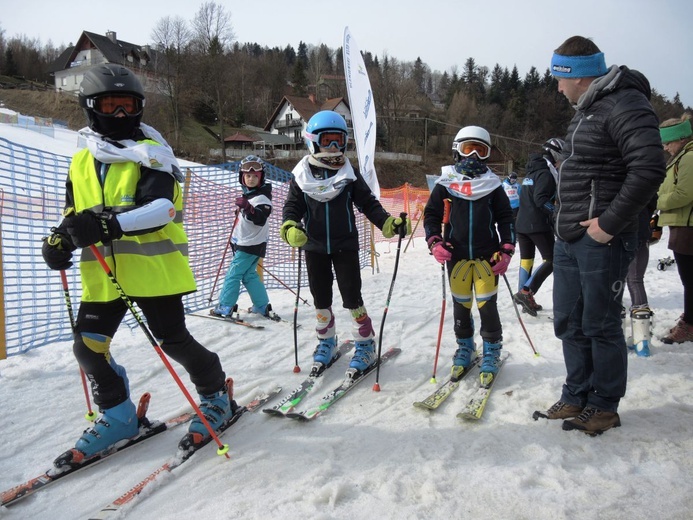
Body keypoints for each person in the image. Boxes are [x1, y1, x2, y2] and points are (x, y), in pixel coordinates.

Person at [40, 64, 235, 459]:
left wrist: (104, 225)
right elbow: (74, 210)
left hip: (152, 270)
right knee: (87, 348)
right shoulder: (81, 158)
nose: (120, 116)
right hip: (103, 272)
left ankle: (216, 397)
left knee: (173, 342)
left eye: (128, 106)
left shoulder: (152, 153)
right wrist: (60, 238)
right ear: (90, 107)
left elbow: (161, 209)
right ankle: (118, 414)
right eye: (110, 106)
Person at [534, 36, 666, 435]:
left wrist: (608, 224)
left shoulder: (625, 103)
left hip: (602, 238)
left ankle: (604, 405)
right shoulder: (588, 110)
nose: (557, 87)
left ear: (577, 75)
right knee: (568, 321)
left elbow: (648, 168)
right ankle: (577, 394)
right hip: (571, 236)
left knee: (600, 323)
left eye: (559, 78)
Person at [280, 110, 411, 378]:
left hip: (345, 246)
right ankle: (326, 341)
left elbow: (368, 203)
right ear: (313, 141)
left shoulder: (348, 175)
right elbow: (291, 208)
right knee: (320, 298)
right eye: (327, 140)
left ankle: (365, 344)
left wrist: (387, 223)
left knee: (352, 297)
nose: (333, 147)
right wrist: (290, 227)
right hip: (314, 246)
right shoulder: (301, 176)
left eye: (338, 141)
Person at [423, 125, 514, 385]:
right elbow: (431, 215)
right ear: (457, 151)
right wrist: (434, 241)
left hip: (488, 256)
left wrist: (507, 248)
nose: (473, 155)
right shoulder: (445, 183)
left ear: (487, 155)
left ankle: (492, 350)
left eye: (480, 150)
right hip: (457, 255)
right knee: (461, 306)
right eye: (467, 149)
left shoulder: (493, 185)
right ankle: (465, 347)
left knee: (487, 306)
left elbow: (506, 218)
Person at [211, 155, 280, 321]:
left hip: (251, 244)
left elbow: (260, 218)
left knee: (233, 274)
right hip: (247, 243)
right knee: (249, 275)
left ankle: (225, 306)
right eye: (247, 176)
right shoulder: (250, 195)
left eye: (254, 176)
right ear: (242, 178)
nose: (250, 179)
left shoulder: (262, 198)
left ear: (261, 177)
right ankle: (262, 306)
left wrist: (248, 208)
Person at [513, 138, 563, 316]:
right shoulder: (545, 173)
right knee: (553, 260)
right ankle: (526, 292)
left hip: (523, 223)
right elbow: (541, 199)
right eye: (561, 157)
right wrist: (557, 211)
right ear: (555, 154)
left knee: (526, 260)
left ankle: (524, 296)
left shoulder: (532, 172)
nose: (560, 163)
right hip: (537, 224)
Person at [657, 114, 693, 344]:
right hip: (682, 224)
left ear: (680, 138)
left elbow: (684, 194)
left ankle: (690, 324)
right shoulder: (681, 157)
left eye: (668, 142)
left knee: (690, 278)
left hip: (689, 226)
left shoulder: (689, 158)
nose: (665, 147)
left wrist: (656, 200)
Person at [622, 196, 658, 357]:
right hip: (641, 229)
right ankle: (641, 341)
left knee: (613, 281)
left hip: (615, 231)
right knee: (636, 280)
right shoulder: (643, 172)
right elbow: (652, 201)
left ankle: (616, 336)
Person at [502, 171, 521, 239]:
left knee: (516, 221)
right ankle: (508, 234)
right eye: (512, 179)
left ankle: (516, 235)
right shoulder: (504, 185)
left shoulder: (518, 185)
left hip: (516, 206)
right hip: (507, 205)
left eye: (514, 179)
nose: (513, 181)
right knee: (507, 220)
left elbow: (520, 194)